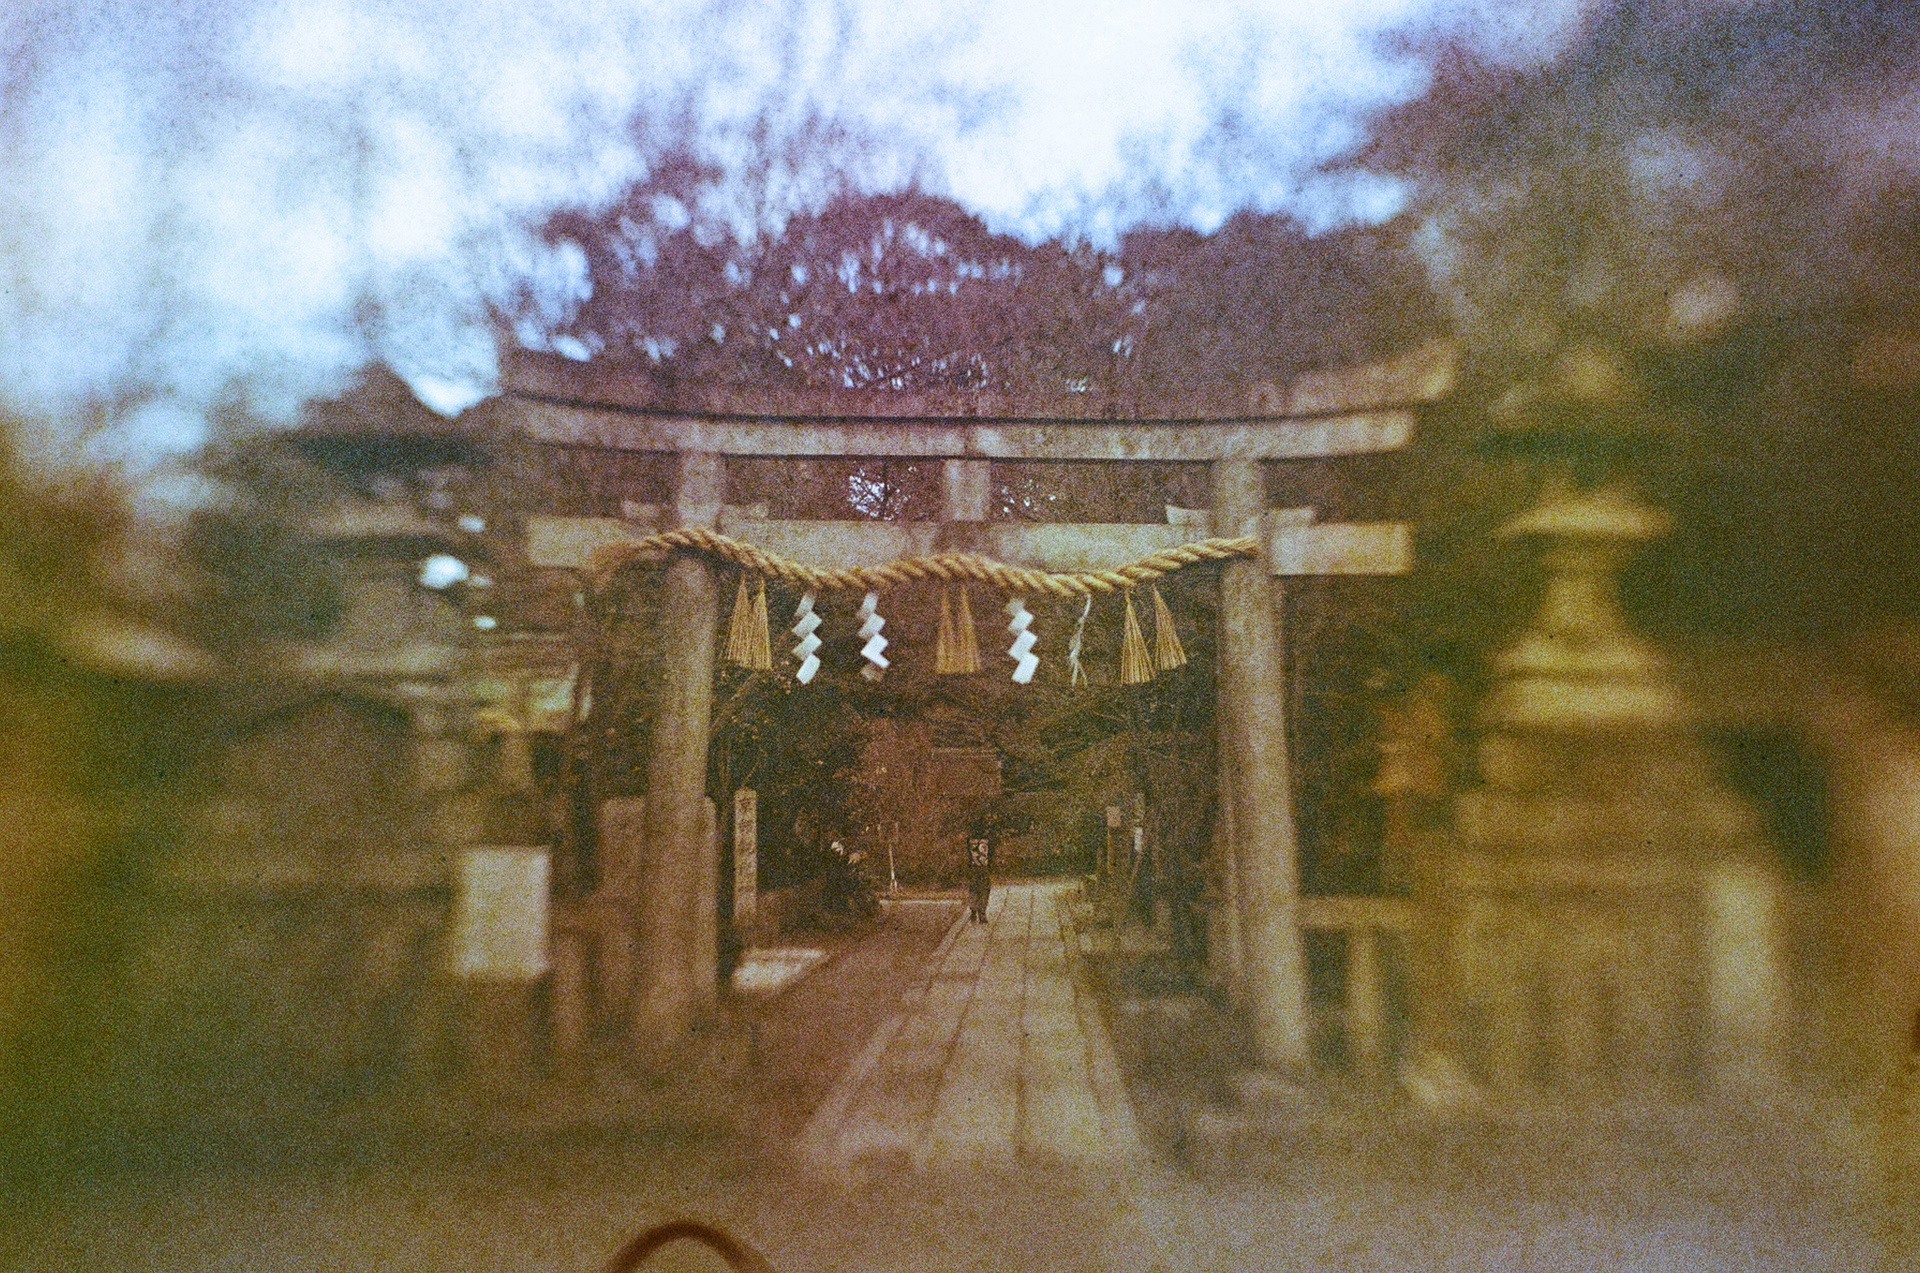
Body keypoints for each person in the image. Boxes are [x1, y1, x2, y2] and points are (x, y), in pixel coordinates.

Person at [964, 822, 994, 924]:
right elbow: (991, 854)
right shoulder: (987, 841)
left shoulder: (969, 840)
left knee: (973, 888)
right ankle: (982, 912)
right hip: (984, 868)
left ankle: (973, 908)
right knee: (984, 889)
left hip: (972, 868)